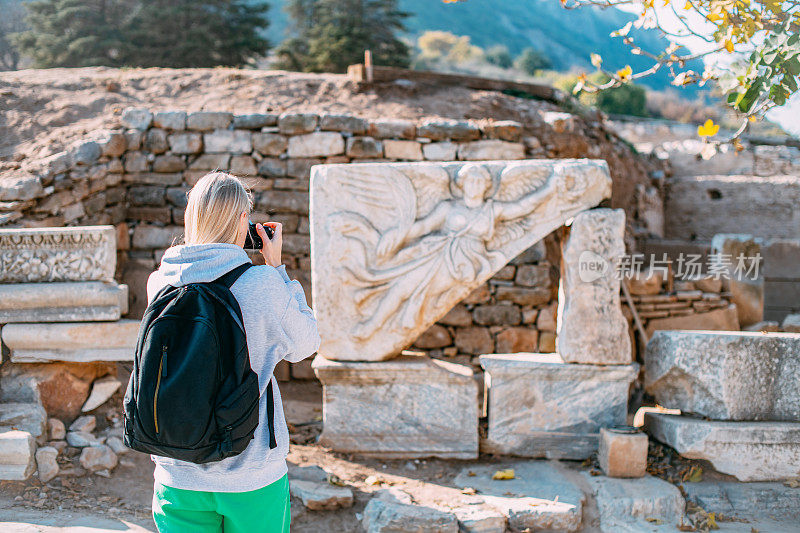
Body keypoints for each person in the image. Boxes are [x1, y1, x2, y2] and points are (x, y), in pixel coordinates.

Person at [145, 171, 320, 533]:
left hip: (176, 473)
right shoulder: (261, 284)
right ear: (244, 220)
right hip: (251, 474)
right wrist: (277, 268)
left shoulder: (161, 280)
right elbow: (306, 344)